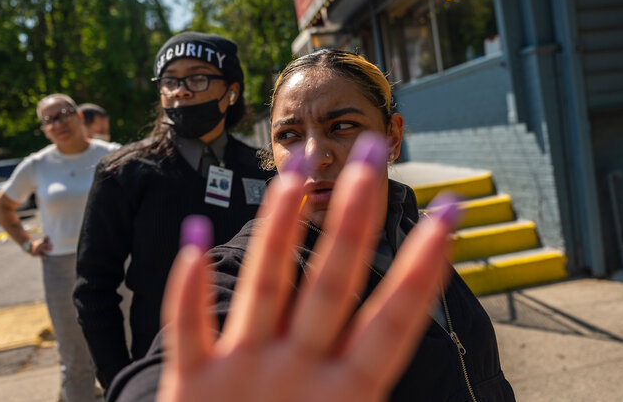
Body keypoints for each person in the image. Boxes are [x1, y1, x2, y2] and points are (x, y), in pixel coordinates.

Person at [107, 50, 515, 402]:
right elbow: (169, 367)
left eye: (341, 127)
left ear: (392, 136)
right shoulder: (250, 267)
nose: (316, 155)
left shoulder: (412, 230)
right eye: (289, 134)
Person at [74, 32, 270, 390]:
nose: (180, 90)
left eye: (197, 77)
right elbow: (93, 289)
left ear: (232, 91)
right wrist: (122, 381)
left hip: (261, 365)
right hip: (163, 374)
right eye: (170, 80)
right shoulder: (123, 173)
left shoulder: (264, 169)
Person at [0, 93, 119, 402]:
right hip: (61, 268)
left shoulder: (113, 154)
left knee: (122, 349)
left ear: (78, 116)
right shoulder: (38, 165)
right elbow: (3, 207)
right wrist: (26, 244)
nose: (57, 124)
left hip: (114, 261)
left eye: (62, 114)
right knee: (75, 359)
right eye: (48, 120)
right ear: (44, 129)